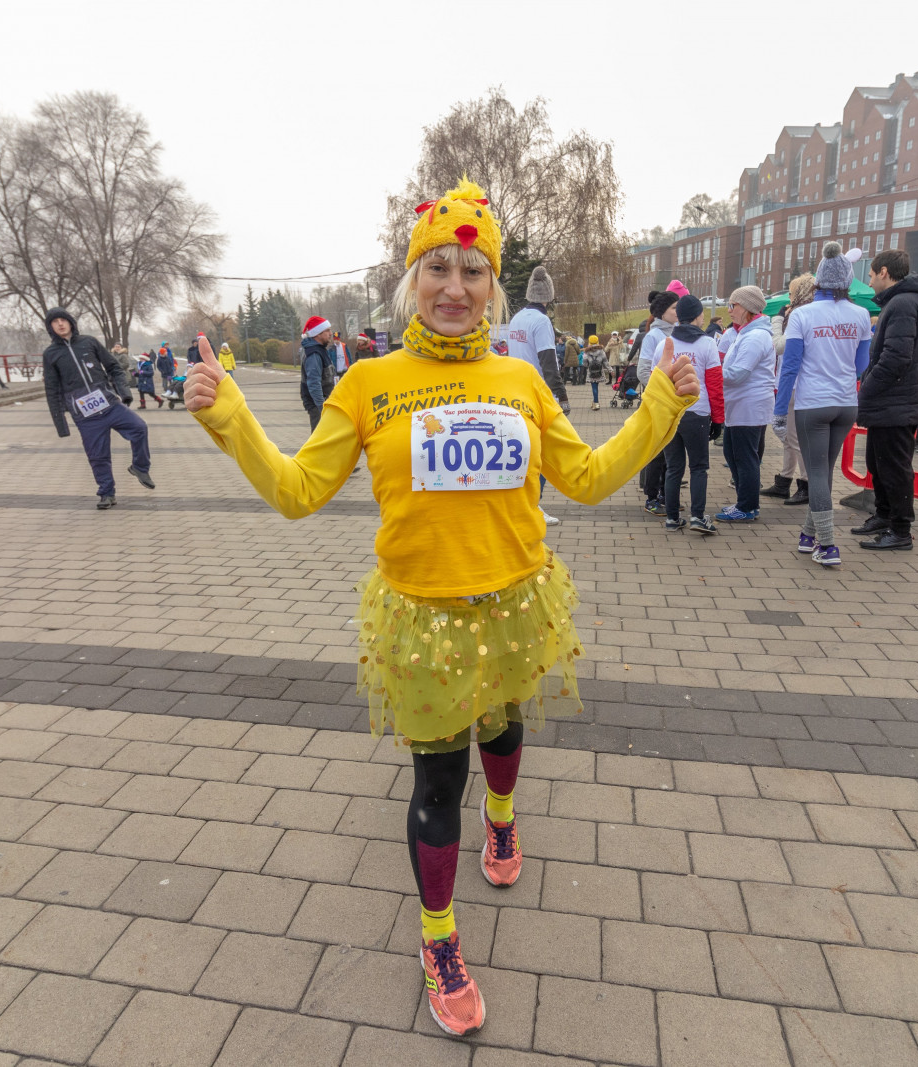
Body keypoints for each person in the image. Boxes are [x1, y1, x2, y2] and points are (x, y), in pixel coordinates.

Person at [181, 178, 698, 1038]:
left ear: (494, 286)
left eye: (472, 270)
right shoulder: (370, 381)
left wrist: (660, 406)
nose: (454, 287)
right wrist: (230, 415)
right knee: (435, 781)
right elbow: (300, 491)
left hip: (513, 604)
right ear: (410, 279)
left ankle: (503, 823)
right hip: (422, 616)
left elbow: (589, 478)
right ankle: (439, 939)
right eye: (437, 269)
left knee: (502, 731)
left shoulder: (522, 378)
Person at [775, 244, 872, 566]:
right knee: (823, 472)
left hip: (812, 403)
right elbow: (861, 364)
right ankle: (808, 535)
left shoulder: (802, 314)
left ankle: (828, 545)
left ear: (818, 280)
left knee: (816, 472)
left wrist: (778, 410)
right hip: (846, 403)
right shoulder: (860, 315)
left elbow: (790, 366)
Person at [852, 248, 918, 551]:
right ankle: (884, 515)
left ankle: (900, 530)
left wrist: (866, 389)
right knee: (878, 461)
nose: (870, 281)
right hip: (892, 402)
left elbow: (896, 358)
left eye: (872, 275)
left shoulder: (902, 303)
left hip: (896, 402)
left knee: (895, 468)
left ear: (884, 272)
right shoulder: (904, 301)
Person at [42, 307, 153, 509]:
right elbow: (51, 390)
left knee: (139, 428)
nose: (60, 324)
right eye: (54, 321)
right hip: (85, 415)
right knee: (97, 455)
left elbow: (113, 367)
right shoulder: (50, 354)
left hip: (109, 405)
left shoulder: (89, 342)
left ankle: (140, 467)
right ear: (50, 327)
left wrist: (124, 392)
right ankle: (107, 493)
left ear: (70, 322)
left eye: (63, 320)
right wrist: (61, 425)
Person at [659, 295, 723, 536]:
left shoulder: (665, 344)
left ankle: (672, 518)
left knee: (674, 467)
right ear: (697, 316)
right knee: (698, 467)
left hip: (671, 413)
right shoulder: (707, 344)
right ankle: (697, 516)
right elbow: (715, 385)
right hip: (698, 411)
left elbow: (657, 382)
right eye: (701, 314)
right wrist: (718, 419)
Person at [714, 285, 773, 524]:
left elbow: (738, 373)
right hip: (740, 405)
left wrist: (711, 374)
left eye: (733, 305)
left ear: (748, 308)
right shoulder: (746, 334)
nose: (729, 310)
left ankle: (747, 506)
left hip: (749, 406)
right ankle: (745, 502)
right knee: (733, 453)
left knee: (745, 457)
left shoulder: (756, 336)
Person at [762, 274, 816, 504]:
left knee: (794, 437)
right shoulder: (813, 313)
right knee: (790, 437)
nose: (789, 297)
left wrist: (776, 322)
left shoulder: (799, 315)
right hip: (796, 382)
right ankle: (784, 480)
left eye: (792, 292)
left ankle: (805, 484)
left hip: (794, 384)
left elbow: (780, 346)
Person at [634, 290, 679, 516]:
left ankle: (665, 493)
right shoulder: (653, 336)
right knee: (657, 452)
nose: (677, 312)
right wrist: (661, 391)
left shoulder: (677, 333)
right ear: (663, 312)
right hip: (659, 401)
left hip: (674, 402)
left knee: (672, 452)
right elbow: (643, 371)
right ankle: (651, 497)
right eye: (673, 308)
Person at [506, 266, 569, 412]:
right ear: (549, 294)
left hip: (518, 390)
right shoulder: (541, 321)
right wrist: (562, 395)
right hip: (539, 393)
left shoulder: (517, 318)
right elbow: (548, 363)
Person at [299, 316, 338, 431]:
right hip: (318, 406)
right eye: (327, 330)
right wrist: (322, 408)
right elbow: (314, 384)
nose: (331, 333)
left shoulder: (320, 349)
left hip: (324, 403)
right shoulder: (314, 354)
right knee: (320, 439)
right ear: (317, 334)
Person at [583, 334, 608, 409]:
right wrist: (610, 370)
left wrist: (587, 365)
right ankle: (594, 402)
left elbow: (584, 363)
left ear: (589, 342)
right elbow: (605, 362)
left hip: (591, 372)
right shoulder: (601, 351)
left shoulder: (587, 352)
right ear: (598, 341)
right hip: (599, 372)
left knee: (594, 387)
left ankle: (596, 403)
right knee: (596, 387)